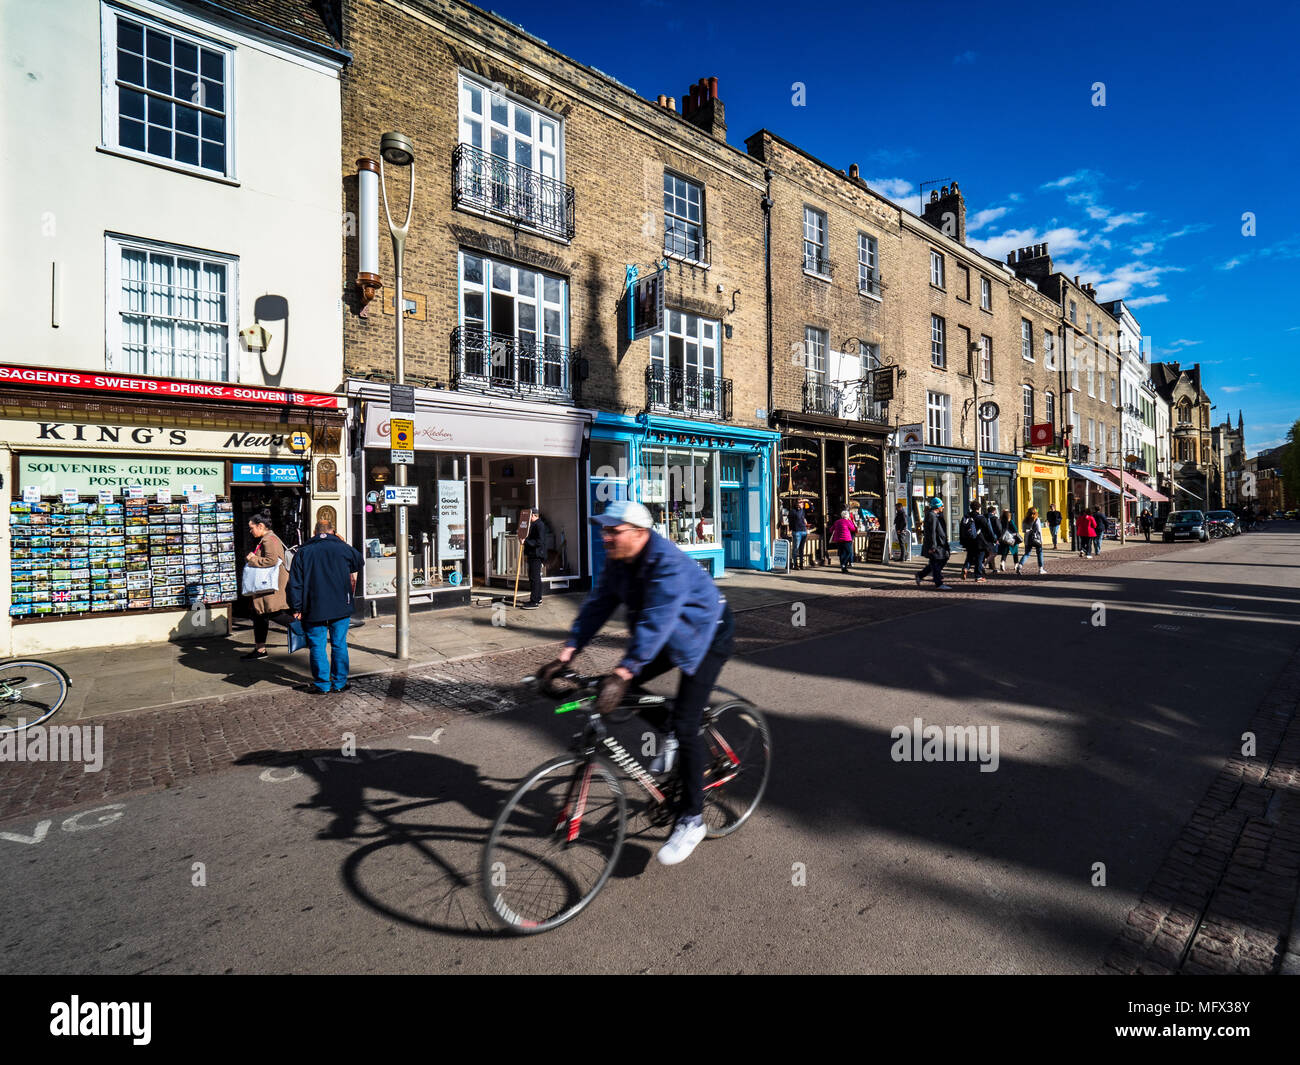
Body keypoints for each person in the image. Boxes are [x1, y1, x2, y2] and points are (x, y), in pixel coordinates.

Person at [538, 500, 732, 867]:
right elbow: (597, 607)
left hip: (706, 635)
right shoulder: (618, 562)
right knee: (616, 687)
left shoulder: (667, 564)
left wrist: (625, 672)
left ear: (640, 533)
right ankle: (671, 728)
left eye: (614, 530)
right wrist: (565, 656)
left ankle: (692, 819)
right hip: (666, 636)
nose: (605, 536)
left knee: (686, 723)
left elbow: (657, 621)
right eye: (604, 529)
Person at [288, 518, 364, 694]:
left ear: (314, 532)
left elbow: (295, 583)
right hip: (340, 605)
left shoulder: (304, 551)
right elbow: (358, 561)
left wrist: (296, 608)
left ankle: (322, 684)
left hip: (314, 606)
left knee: (317, 646)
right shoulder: (341, 547)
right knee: (339, 644)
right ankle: (339, 683)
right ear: (333, 531)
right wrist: (340, 540)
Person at [241, 509, 293, 660]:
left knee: (274, 613)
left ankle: (304, 630)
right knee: (260, 615)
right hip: (265, 586)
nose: (251, 531)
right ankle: (260, 649)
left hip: (269, 586)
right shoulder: (268, 538)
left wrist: (252, 559)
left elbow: (271, 561)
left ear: (261, 526)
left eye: (252, 528)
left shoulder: (269, 539)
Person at [915, 496, 952, 590]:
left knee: (940, 560)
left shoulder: (936, 515)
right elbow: (932, 532)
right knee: (935, 562)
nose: (943, 507)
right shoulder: (931, 516)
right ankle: (938, 582)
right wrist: (933, 546)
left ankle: (921, 575)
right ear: (937, 506)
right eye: (942, 506)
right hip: (935, 544)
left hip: (940, 543)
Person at [520, 506, 546, 610]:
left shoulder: (539, 525)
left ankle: (534, 601)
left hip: (536, 555)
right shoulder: (535, 524)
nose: (529, 518)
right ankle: (538, 598)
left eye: (530, 515)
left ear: (534, 515)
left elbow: (539, 541)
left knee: (534, 578)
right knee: (535, 577)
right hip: (533, 554)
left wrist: (525, 542)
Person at [958, 501, 988, 583]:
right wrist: (993, 539)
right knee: (979, 558)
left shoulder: (966, 517)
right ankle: (978, 576)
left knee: (970, 556)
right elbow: (987, 529)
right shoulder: (980, 517)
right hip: (979, 541)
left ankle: (965, 568)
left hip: (969, 541)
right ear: (979, 508)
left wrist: (962, 541)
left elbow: (961, 529)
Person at [1017, 507, 1046, 575]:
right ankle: (1041, 568)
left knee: (1027, 553)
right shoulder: (1036, 519)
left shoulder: (1025, 520)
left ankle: (1020, 565)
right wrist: (1041, 540)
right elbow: (1039, 530)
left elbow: (1023, 530)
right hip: (1036, 538)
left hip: (1027, 538)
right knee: (1039, 553)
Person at [997, 507, 1019, 573]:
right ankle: (1016, 564)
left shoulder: (1000, 521)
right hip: (1011, 539)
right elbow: (1016, 530)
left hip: (1003, 539)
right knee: (1015, 552)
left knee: (1005, 552)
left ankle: (1002, 562)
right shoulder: (1010, 521)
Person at [790, 498, 809, 571]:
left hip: (804, 531)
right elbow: (792, 520)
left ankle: (801, 564)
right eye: (799, 502)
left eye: (801, 502)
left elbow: (812, 508)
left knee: (801, 549)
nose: (801, 503)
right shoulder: (793, 511)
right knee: (796, 549)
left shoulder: (803, 511)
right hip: (797, 532)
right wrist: (792, 529)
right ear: (796, 503)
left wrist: (808, 501)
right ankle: (795, 564)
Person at [984, 505, 1003, 573]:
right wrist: (1000, 537)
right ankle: (985, 565)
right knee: (994, 553)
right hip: (993, 537)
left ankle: (993, 567)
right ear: (994, 511)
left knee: (989, 553)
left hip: (985, 538)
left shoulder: (984, 517)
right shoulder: (995, 518)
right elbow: (999, 529)